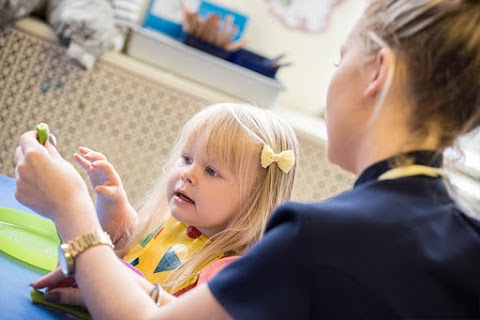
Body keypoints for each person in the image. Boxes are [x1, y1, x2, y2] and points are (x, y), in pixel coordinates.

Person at [14, 0, 480, 318]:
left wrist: (71, 209)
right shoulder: (464, 239)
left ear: (377, 71)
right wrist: (126, 287)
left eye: (340, 60)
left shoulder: (321, 236)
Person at [30, 102, 300, 301]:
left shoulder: (228, 270)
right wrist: (111, 200)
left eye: (211, 171)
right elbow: (127, 245)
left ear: (255, 200)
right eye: (186, 159)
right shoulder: (175, 226)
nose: (188, 174)